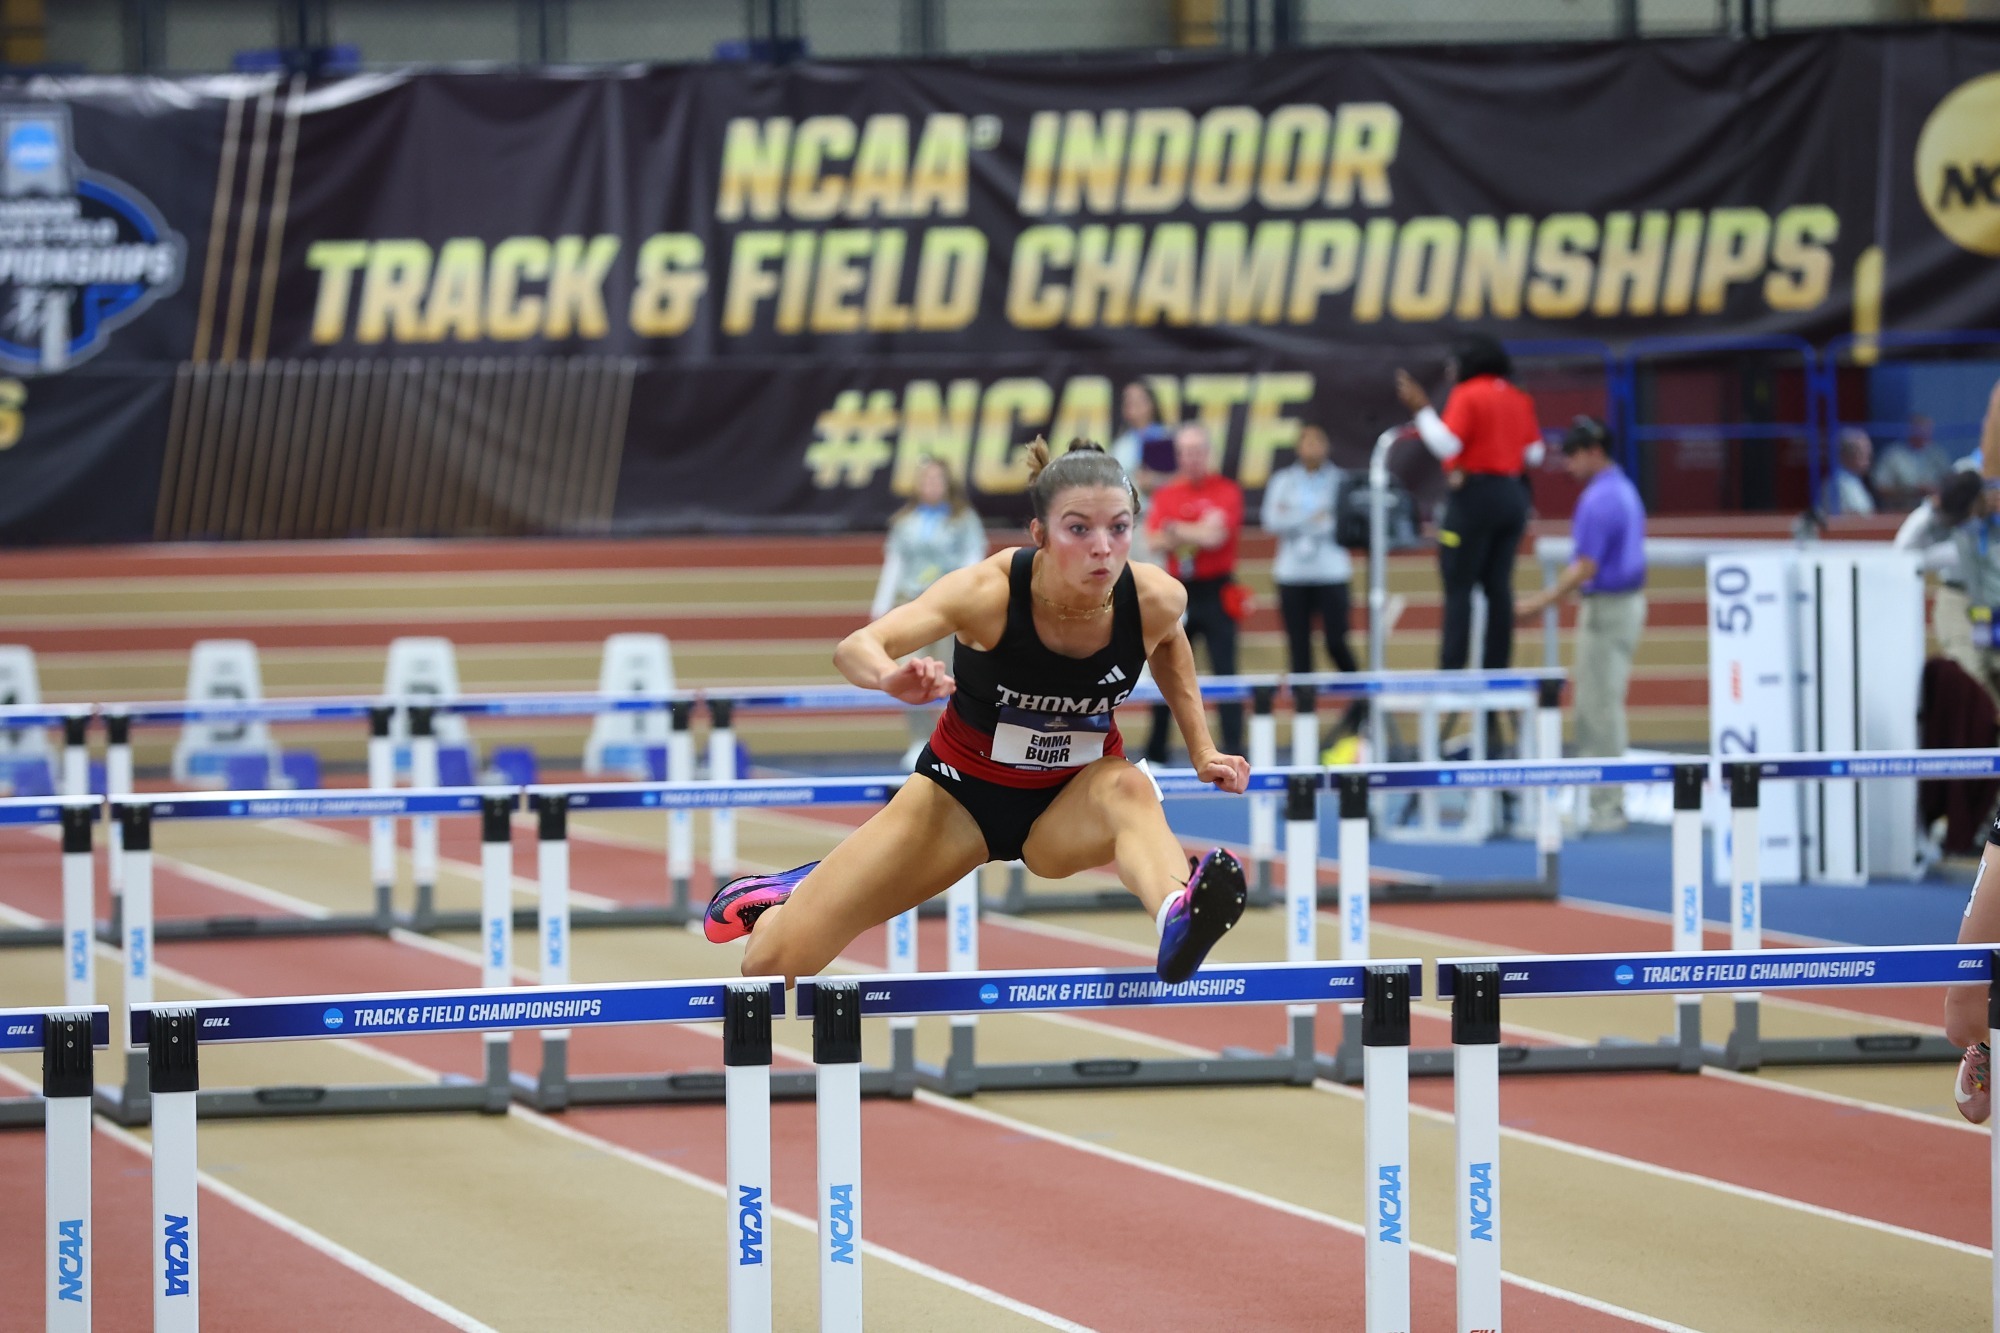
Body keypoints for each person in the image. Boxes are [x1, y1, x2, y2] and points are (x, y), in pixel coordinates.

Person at [704, 439, 1252, 986]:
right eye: (1079, 529)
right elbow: (857, 646)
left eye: (1119, 528)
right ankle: (791, 894)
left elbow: (1170, 646)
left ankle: (1177, 917)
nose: (1103, 549)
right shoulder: (988, 593)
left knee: (1131, 787)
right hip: (958, 801)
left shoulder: (1154, 598)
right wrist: (889, 678)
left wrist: (1203, 749)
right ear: (1039, 534)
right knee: (772, 964)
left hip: (1070, 799)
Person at [1517, 417, 1646, 833]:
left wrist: (1540, 602)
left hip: (1609, 609)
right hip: (1622, 605)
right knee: (1600, 706)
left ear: (1594, 451)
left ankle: (1607, 806)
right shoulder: (1623, 489)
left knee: (1599, 710)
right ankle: (1601, 802)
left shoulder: (1599, 500)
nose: (1568, 465)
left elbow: (1584, 567)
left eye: (1573, 456)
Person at [1395, 334, 1543, 673]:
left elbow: (1447, 445)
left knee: (1459, 581)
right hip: (1513, 498)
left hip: (1474, 498)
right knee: (1498, 585)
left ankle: (1452, 668)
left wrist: (1421, 410)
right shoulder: (1518, 396)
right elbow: (1533, 453)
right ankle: (1497, 667)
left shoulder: (1469, 392)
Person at [871, 457, 989, 763]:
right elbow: (894, 562)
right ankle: (918, 740)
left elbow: (973, 560)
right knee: (911, 672)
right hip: (913, 607)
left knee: (953, 674)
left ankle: (951, 741)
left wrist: (968, 600)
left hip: (951, 610)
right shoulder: (904, 521)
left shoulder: (963, 520)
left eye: (938, 479)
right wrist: (881, 605)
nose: (932, 484)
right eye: (926, 479)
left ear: (947, 483)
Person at [1143, 422, 1247, 762]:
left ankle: (1233, 747)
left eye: (1198, 451)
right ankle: (1157, 750)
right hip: (1178, 591)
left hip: (1216, 591)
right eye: (1186, 452)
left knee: (1225, 668)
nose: (1192, 458)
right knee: (1166, 666)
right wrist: (1197, 530)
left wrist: (1177, 529)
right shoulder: (1167, 493)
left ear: (1208, 453)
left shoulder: (1227, 491)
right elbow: (1154, 539)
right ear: (1179, 456)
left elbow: (1217, 537)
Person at [1261, 423, 1358, 677]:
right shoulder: (1282, 481)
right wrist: (1314, 518)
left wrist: (1293, 517)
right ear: (1298, 447)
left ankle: (1362, 704)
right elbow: (1271, 520)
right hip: (1292, 574)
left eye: (1318, 441)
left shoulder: (1341, 482)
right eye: (1307, 441)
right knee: (1298, 649)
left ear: (1327, 447)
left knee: (1336, 642)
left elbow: (1342, 523)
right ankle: (1305, 713)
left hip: (1331, 572)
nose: (1312, 447)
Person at [1109, 379, 1173, 568]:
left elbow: (1177, 481)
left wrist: (1156, 481)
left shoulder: (1162, 438)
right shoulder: (1122, 444)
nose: (1133, 406)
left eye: (1139, 400)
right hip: (1126, 520)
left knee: (1154, 575)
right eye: (1128, 401)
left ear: (1151, 404)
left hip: (1155, 519)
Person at [1821, 428, 1877, 516]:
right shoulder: (1837, 484)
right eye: (1862, 453)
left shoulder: (1855, 480)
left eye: (1868, 453)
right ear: (1845, 454)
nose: (1868, 459)